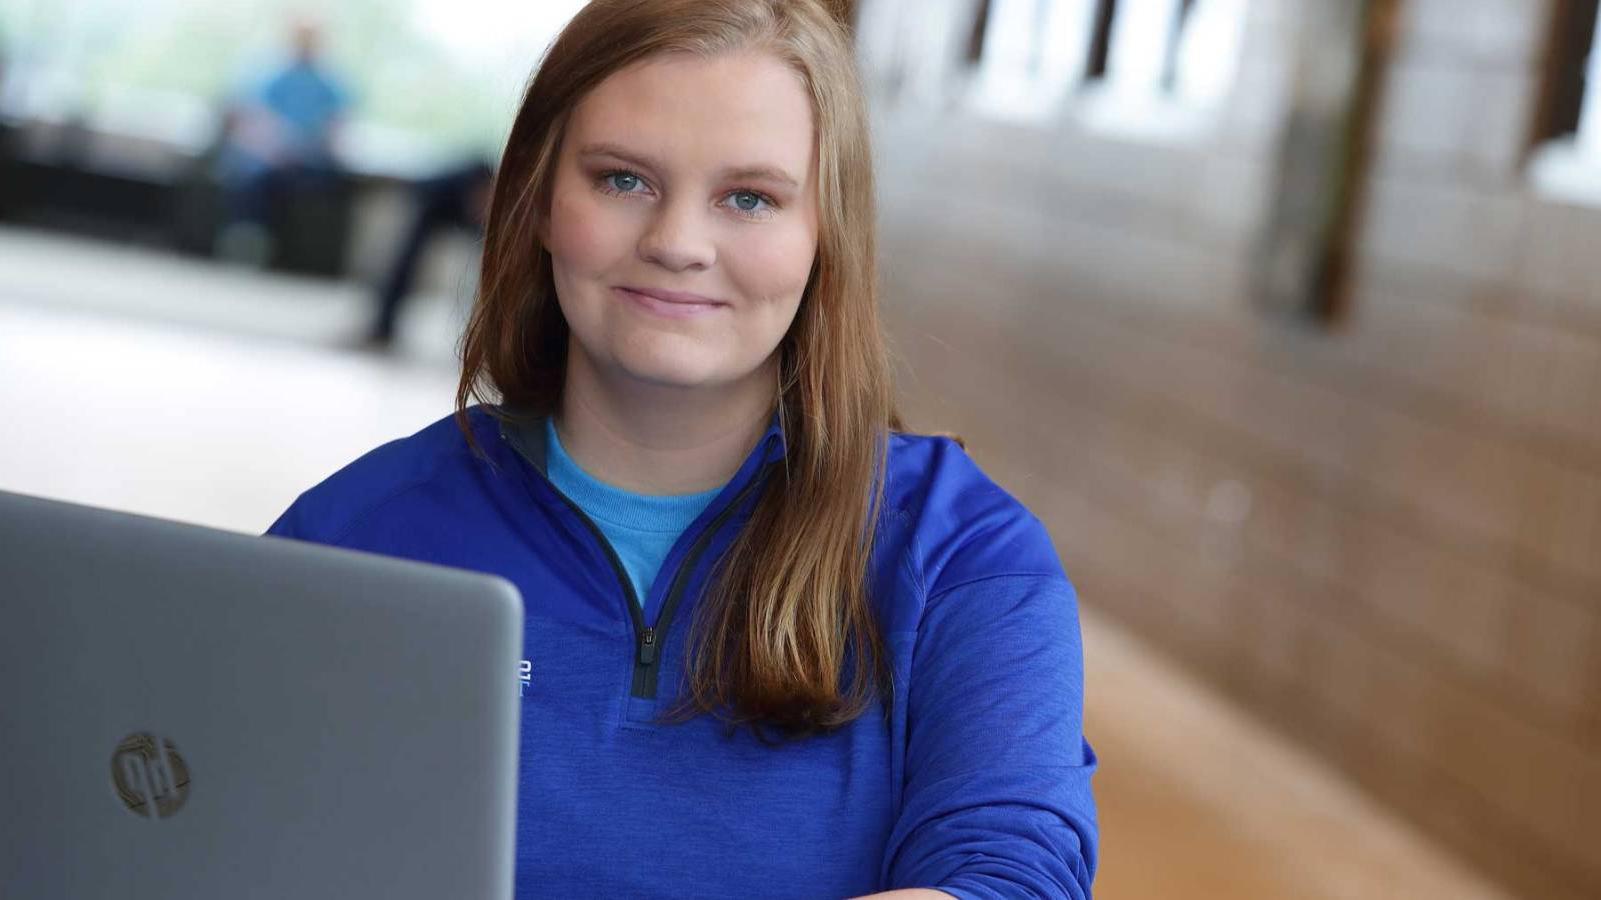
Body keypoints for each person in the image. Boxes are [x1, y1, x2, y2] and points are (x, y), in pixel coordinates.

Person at [266, 1, 1097, 897]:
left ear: (825, 237)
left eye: (750, 198)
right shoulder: (355, 533)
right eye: (623, 180)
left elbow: (1010, 873)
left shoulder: (960, 552)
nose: (677, 244)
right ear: (540, 200)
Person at [213, 18, 352, 264]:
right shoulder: (271, 77)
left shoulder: (332, 85)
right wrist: (273, 150)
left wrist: (313, 152)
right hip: (269, 156)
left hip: (310, 160)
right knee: (254, 177)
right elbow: (254, 122)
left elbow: (336, 130)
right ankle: (248, 243)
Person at [362, 156, 496, 349]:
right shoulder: (438, 192)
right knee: (404, 264)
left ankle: (485, 338)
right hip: (432, 209)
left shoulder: (488, 190)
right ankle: (383, 326)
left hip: (464, 213)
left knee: (490, 266)